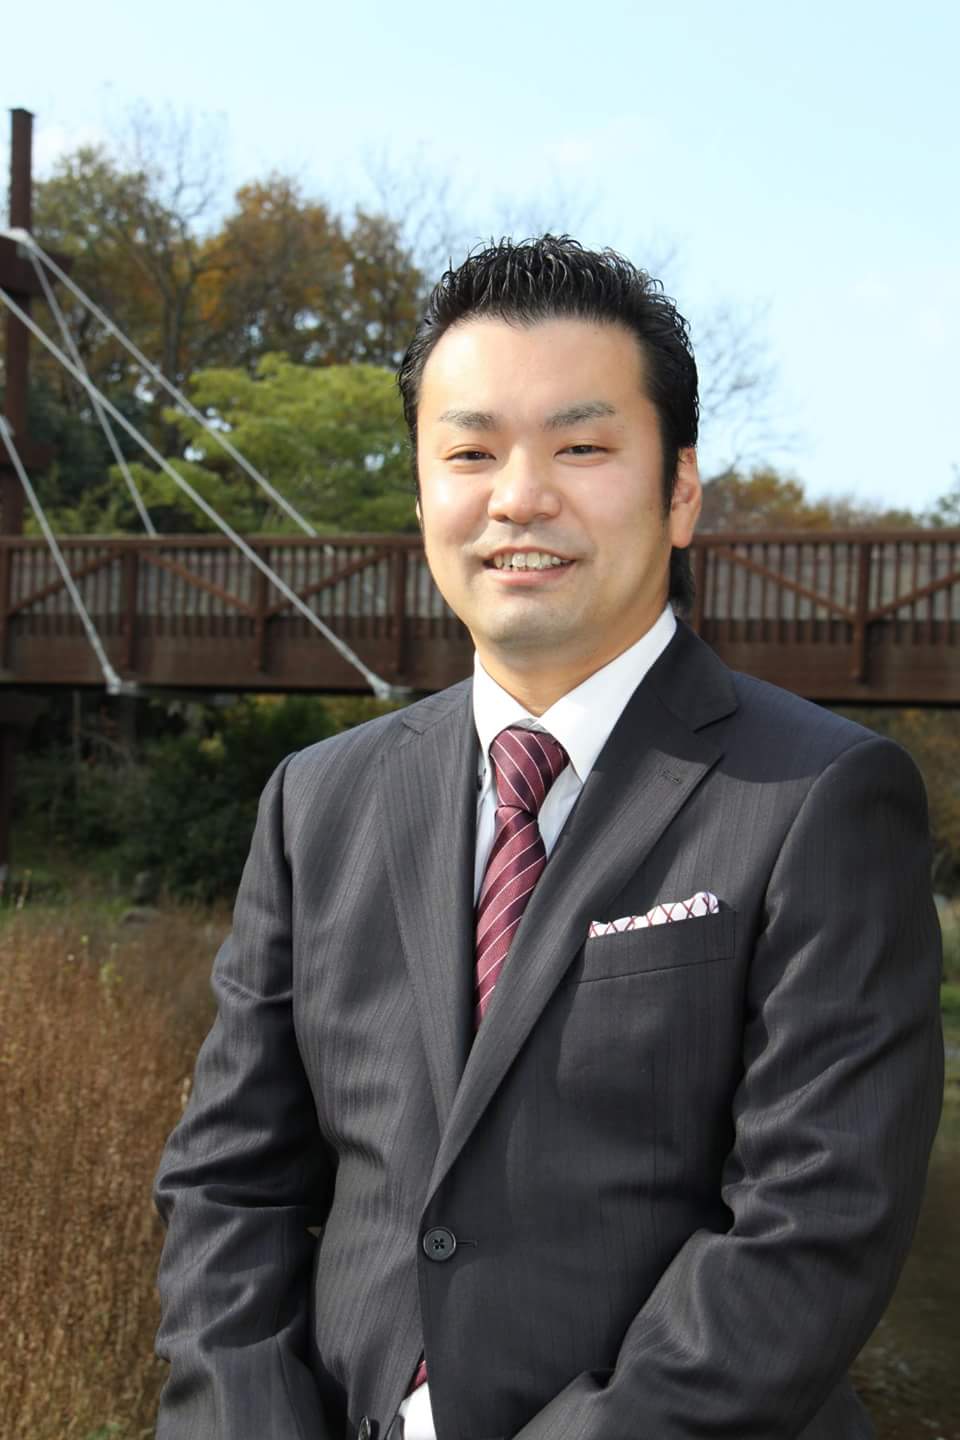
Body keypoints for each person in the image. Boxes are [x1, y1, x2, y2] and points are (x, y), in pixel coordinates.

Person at [153, 236, 944, 1440]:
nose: (519, 497)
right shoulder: (317, 802)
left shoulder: (822, 795)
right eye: (470, 453)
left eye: (581, 447)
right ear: (423, 491)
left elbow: (812, 1222)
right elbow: (229, 1188)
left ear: (681, 492)